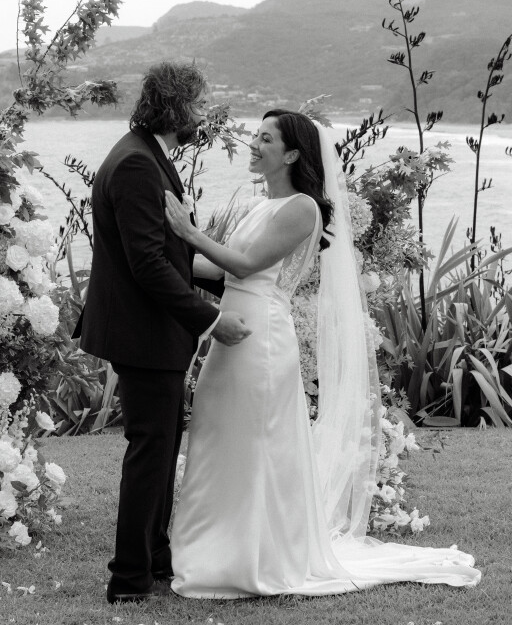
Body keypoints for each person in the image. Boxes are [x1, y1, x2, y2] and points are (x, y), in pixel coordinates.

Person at [164, 109, 481, 598]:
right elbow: (220, 270)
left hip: (260, 338)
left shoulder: (304, 208)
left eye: (265, 138)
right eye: (256, 135)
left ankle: (252, 558)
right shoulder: (262, 205)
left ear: (292, 153)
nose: (254, 144)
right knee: (218, 433)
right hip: (231, 329)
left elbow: (246, 265)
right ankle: (211, 546)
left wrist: (188, 232)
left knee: (254, 441)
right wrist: (161, 255)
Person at [76, 61, 252, 604]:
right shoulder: (136, 163)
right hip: (143, 335)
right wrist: (211, 320)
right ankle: (129, 578)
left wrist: (230, 279)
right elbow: (148, 264)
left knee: (161, 443)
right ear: (175, 108)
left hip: (145, 332)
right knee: (152, 451)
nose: (202, 115)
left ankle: (154, 557)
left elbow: (164, 254)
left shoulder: (145, 155)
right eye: (197, 105)